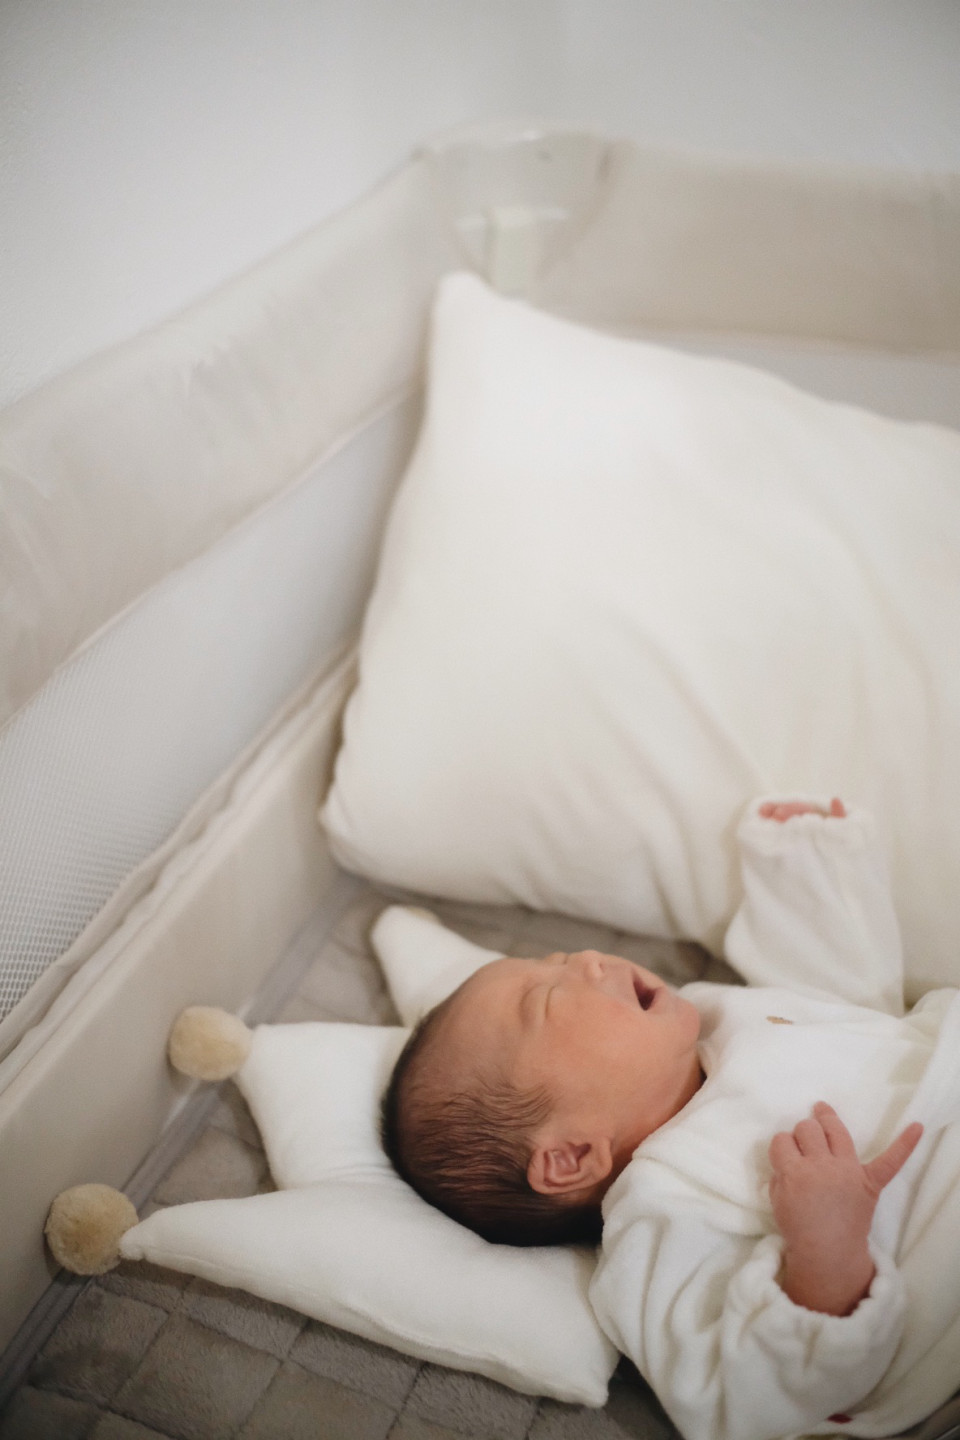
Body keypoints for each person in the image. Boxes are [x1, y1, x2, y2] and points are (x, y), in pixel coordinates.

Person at [381, 797, 960, 1439]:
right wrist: (828, 1251)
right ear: (571, 1157)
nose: (586, 958)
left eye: (556, 960)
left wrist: (804, 866)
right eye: (547, 997)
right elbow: (735, 1398)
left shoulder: (714, 1018)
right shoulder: (658, 1218)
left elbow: (848, 1004)